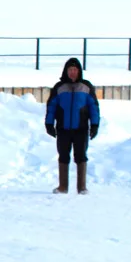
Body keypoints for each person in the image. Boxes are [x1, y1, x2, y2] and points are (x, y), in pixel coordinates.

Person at [45, 57, 100, 195]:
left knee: (81, 156)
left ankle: (82, 187)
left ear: (79, 71)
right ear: (66, 71)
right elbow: (51, 106)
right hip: (63, 128)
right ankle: (63, 187)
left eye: (75, 70)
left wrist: (95, 124)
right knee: (63, 155)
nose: (73, 72)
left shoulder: (86, 87)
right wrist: (49, 123)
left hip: (81, 129)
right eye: (70, 70)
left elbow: (94, 107)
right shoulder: (59, 87)